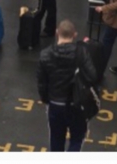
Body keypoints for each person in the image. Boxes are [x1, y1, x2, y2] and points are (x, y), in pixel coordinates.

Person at [37, 20, 98, 152]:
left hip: (55, 104)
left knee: (56, 140)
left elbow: (42, 82)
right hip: (76, 105)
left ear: (57, 33)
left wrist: (46, 99)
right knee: (76, 139)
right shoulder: (81, 52)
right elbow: (93, 76)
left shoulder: (45, 54)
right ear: (74, 35)